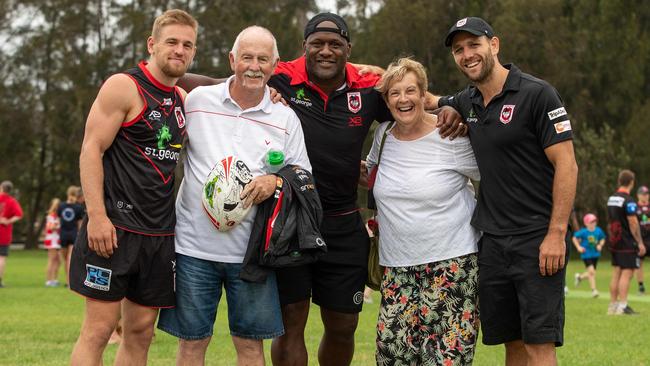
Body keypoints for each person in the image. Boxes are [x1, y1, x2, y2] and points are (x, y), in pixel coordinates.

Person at [157, 26, 311, 366]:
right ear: (232, 60)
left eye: (263, 59)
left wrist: (275, 181)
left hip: (252, 256)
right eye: (247, 57)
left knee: (250, 346)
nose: (254, 66)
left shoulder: (285, 118)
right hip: (192, 249)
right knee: (192, 344)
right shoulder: (198, 102)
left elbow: (303, 176)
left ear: (275, 65)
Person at [434, 17, 579, 366]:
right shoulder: (467, 101)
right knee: (511, 343)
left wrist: (556, 234)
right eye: (459, 50)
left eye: (474, 45)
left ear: (494, 45)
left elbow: (568, 166)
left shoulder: (537, 93)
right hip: (493, 242)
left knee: (539, 345)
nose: (467, 54)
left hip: (537, 239)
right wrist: (364, 76)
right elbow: (419, 94)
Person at [68, 9, 197, 366]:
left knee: (140, 332)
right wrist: (96, 216)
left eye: (187, 45)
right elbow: (91, 148)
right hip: (113, 231)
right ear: (152, 44)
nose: (179, 50)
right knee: (98, 329)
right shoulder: (124, 86)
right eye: (172, 41)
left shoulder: (182, 100)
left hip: (159, 236)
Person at [367, 57, 481, 365]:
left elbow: (494, 178)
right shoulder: (383, 137)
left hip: (451, 268)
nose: (403, 99)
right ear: (387, 100)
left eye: (410, 91)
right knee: (393, 357)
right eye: (394, 93)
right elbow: (370, 176)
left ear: (424, 94)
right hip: (397, 270)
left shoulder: (452, 135)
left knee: (447, 359)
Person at [606, 170, 647, 315]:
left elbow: (610, 221)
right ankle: (623, 306)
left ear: (619, 181)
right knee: (627, 273)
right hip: (627, 242)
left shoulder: (611, 198)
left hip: (615, 241)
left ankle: (612, 305)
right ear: (632, 182)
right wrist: (640, 243)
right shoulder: (629, 201)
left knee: (616, 272)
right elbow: (633, 223)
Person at [572, 213, 606, 298]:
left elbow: (603, 238)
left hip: (595, 255)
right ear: (586, 223)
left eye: (594, 221)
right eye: (591, 222)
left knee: (592, 272)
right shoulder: (583, 232)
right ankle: (594, 290)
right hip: (586, 254)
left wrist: (600, 245)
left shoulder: (598, 230)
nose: (593, 223)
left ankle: (579, 277)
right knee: (591, 272)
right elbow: (574, 238)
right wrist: (578, 247)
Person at [57, 185, 85, 286]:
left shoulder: (61, 206)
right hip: (73, 234)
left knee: (65, 260)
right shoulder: (78, 208)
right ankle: (70, 282)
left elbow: (59, 221)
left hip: (63, 234)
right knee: (70, 258)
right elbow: (80, 224)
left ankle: (67, 280)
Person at [0, 181, 23, 288]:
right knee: (2, 258)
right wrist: (8, 221)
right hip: (4, 234)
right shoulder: (11, 201)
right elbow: (19, 215)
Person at [44, 198, 62, 287]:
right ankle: (48, 280)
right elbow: (50, 228)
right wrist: (58, 225)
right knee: (52, 260)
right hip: (52, 240)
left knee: (58, 261)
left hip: (57, 240)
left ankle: (54, 279)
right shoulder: (51, 216)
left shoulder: (58, 216)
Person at [635, 185, 649, 294]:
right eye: (643, 194)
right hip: (641, 240)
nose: (645, 196)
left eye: (647, 194)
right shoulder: (634, 207)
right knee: (639, 263)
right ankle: (641, 286)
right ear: (638, 195)